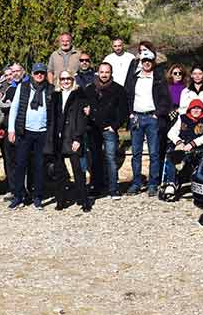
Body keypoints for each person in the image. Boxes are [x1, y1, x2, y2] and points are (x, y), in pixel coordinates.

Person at [124, 50, 172, 196]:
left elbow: (166, 99)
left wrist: (158, 114)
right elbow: (127, 95)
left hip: (152, 118)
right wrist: (130, 114)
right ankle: (136, 182)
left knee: (154, 153)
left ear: (153, 63)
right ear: (141, 62)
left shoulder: (158, 79)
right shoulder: (134, 78)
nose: (146, 63)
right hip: (137, 118)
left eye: (149, 61)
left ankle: (153, 183)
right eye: (144, 61)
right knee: (136, 153)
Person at [7, 63, 51, 210]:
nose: (39, 75)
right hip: (24, 132)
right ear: (31, 74)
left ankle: (37, 196)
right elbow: (14, 107)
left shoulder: (50, 89)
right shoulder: (24, 87)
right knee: (20, 165)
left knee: (38, 166)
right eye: (37, 73)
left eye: (42, 73)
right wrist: (11, 129)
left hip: (42, 132)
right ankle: (18, 196)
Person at [83, 63, 128, 200]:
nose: (104, 74)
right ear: (98, 73)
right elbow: (83, 105)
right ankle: (96, 188)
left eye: (107, 72)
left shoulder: (118, 89)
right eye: (102, 72)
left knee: (111, 158)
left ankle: (113, 189)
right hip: (93, 128)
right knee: (95, 159)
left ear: (111, 73)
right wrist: (86, 112)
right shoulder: (90, 89)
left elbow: (123, 111)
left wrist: (114, 126)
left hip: (109, 128)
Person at [50, 71, 92, 212]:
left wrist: (78, 138)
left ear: (73, 80)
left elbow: (82, 119)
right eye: (63, 79)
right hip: (57, 138)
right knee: (59, 172)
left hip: (72, 137)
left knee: (77, 171)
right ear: (59, 81)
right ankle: (61, 200)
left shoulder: (79, 96)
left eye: (68, 78)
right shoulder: (55, 96)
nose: (65, 81)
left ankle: (84, 200)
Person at [163, 98, 203, 200]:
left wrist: (193, 143)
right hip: (182, 148)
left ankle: (200, 186)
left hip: (198, 149)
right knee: (172, 154)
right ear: (189, 109)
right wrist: (178, 142)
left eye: (198, 109)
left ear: (202, 110)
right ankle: (171, 184)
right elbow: (171, 132)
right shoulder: (182, 118)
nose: (196, 110)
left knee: (199, 156)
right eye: (193, 108)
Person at [0, 63, 26, 200]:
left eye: (17, 71)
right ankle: (14, 189)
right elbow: (0, 106)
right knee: (10, 160)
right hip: (9, 129)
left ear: (23, 71)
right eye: (12, 71)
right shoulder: (9, 89)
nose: (15, 74)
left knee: (24, 160)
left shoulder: (29, 87)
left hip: (24, 130)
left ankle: (25, 189)